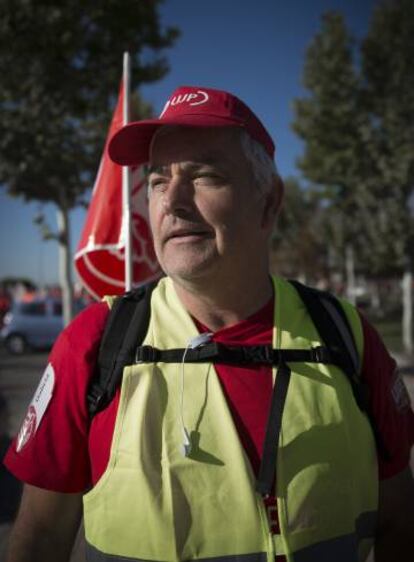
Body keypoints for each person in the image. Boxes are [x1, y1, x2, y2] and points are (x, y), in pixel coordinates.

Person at [3, 85, 414, 562]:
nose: (171, 201)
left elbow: (400, 521)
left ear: (269, 202)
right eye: (157, 180)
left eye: (204, 176)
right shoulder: (94, 342)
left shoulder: (348, 334)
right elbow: (37, 542)